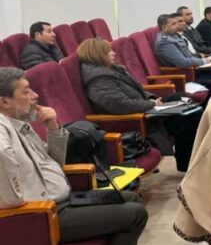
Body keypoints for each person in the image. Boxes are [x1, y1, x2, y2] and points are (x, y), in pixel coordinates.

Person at [0, 67, 164, 245]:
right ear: (4, 101)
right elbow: (2, 154)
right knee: (135, 214)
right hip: (46, 216)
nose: (35, 96)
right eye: (26, 92)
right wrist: (13, 200)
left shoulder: (19, 124)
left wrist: (53, 128)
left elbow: (55, 163)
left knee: (129, 198)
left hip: (66, 200)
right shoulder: (2, 127)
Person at [77, 39, 200, 172]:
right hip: (133, 120)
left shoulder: (111, 70)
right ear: (97, 55)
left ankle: (195, 159)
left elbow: (137, 90)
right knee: (184, 119)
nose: (114, 53)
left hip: (144, 109)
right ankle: (191, 164)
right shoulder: (99, 79)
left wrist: (152, 98)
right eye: (109, 51)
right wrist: (151, 103)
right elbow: (120, 105)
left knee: (184, 102)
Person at [155, 14, 211, 92]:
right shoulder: (165, 42)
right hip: (185, 75)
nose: (177, 25)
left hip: (194, 69)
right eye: (173, 24)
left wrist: (202, 60)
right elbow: (183, 62)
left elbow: (188, 54)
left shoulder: (173, 35)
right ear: (164, 27)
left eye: (176, 23)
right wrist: (203, 61)